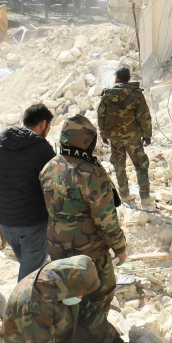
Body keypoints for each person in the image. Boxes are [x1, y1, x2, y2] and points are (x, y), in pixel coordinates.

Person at [0, 255, 139, 343]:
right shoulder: (34, 305)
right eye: (80, 294)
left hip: (53, 336)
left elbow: (88, 312)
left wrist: (112, 341)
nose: (81, 297)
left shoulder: (62, 282)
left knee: (91, 339)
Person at [40, 115, 127, 318]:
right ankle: (93, 338)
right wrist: (120, 248)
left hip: (57, 247)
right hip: (89, 252)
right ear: (86, 141)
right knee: (101, 294)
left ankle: (68, 331)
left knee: (68, 294)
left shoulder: (49, 167)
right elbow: (106, 221)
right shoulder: (92, 174)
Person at [0, 103, 56, 280]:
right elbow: (54, 187)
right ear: (43, 124)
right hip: (31, 225)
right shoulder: (42, 149)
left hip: (4, 222)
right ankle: (21, 307)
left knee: (28, 266)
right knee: (30, 277)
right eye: (48, 126)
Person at [97, 66, 154, 205]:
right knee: (141, 165)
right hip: (133, 138)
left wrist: (103, 134)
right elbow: (144, 116)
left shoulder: (107, 95)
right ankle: (145, 197)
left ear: (117, 78)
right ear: (129, 78)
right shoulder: (136, 94)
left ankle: (125, 196)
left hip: (115, 139)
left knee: (119, 166)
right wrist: (147, 135)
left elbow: (101, 115)